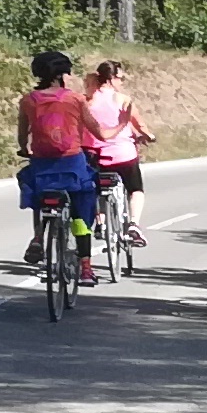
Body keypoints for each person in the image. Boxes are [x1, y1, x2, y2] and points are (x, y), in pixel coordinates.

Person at [16, 48, 101, 269]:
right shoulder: (75, 99)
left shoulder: (28, 100)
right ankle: (86, 267)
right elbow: (92, 127)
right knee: (83, 207)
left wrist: (24, 149)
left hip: (42, 164)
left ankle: (37, 237)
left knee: (36, 191)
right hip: (73, 163)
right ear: (61, 74)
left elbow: (23, 134)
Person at [82, 59, 146, 249]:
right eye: (120, 78)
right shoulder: (123, 100)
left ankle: (100, 223)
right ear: (111, 79)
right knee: (136, 190)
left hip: (94, 155)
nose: (122, 82)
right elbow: (139, 124)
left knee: (95, 190)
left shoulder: (86, 100)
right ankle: (134, 224)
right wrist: (148, 136)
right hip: (122, 155)